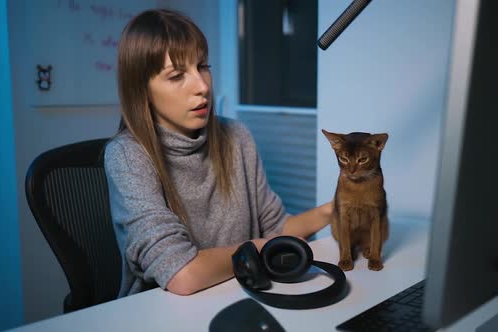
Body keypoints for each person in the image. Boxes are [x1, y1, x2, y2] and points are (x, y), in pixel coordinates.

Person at [104, 9, 333, 298]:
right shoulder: (126, 156)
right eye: (176, 76)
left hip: (240, 295)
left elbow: (278, 227)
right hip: (163, 313)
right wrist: (260, 247)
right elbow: (181, 274)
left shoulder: (236, 136)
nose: (202, 87)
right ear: (142, 91)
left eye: (202, 66)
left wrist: (334, 210)